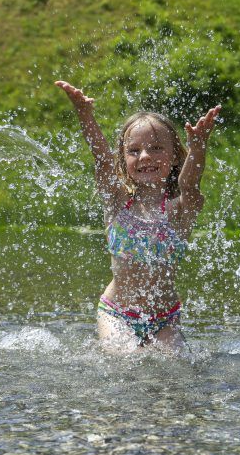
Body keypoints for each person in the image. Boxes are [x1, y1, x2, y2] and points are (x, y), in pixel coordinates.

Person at [55, 80, 221, 350]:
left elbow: (190, 184)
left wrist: (199, 146)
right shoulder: (117, 201)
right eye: (134, 150)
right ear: (124, 159)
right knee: (124, 362)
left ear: (176, 156)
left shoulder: (180, 209)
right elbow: (101, 158)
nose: (145, 156)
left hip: (165, 317)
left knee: (179, 369)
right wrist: (84, 114)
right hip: (116, 313)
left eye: (156, 148)